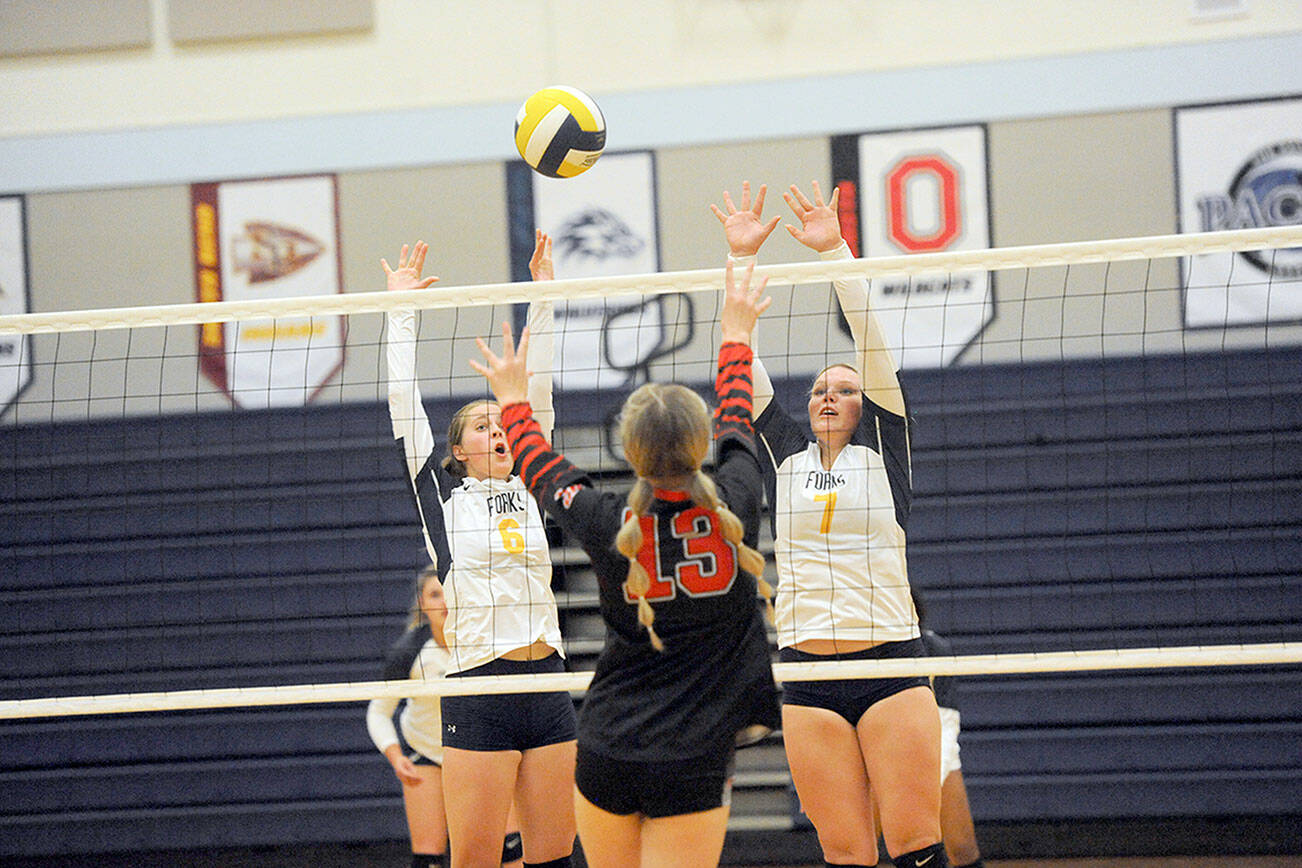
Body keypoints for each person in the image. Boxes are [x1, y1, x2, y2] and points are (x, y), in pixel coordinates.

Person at [469, 259, 782, 868]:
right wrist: (737, 332)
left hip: (608, 747)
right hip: (693, 756)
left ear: (631, 452)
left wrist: (511, 396)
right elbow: (740, 418)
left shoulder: (609, 521)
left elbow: (537, 463)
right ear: (700, 444)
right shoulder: (737, 504)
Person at [711, 181, 948, 868]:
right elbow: (740, 362)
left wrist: (835, 251)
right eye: (818, 386)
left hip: (891, 663)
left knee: (915, 846)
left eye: (844, 388)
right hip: (807, 672)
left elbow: (871, 342)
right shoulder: (785, 454)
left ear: (866, 404)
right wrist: (739, 258)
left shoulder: (885, 448)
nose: (826, 394)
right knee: (845, 854)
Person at [381, 232, 577, 868]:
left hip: (547, 681)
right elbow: (401, 404)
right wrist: (401, 311)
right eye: (483, 428)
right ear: (459, 450)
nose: (499, 432)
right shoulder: (443, 498)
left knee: (553, 856)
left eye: (503, 424)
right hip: (479, 691)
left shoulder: (532, 481)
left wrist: (542, 296)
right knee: (475, 859)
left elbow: (538, 391)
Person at [366, 566, 524, 868]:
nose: (444, 602)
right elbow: (378, 711)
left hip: (484, 751)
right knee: (428, 858)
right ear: (423, 604)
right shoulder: (409, 651)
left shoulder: (490, 643)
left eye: (450, 592)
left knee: (510, 848)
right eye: (435, 595)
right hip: (427, 751)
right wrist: (396, 755)